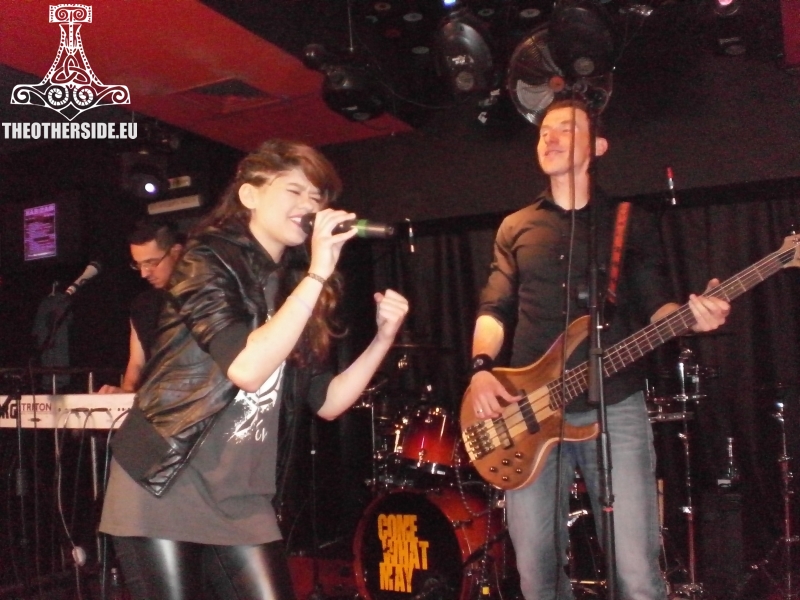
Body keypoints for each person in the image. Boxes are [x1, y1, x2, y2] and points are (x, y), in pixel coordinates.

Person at [99, 139, 409, 600]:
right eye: (294, 191)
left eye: (316, 196)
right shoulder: (206, 260)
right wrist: (318, 274)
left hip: (241, 498)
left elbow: (328, 402)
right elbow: (246, 368)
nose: (309, 205)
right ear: (250, 194)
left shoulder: (294, 288)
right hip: (166, 480)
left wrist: (383, 339)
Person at [467, 100, 730, 600]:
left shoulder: (629, 221)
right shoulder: (515, 226)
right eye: (544, 131)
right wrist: (482, 369)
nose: (549, 138)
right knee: (537, 576)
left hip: (615, 405)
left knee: (635, 573)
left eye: (566, 129)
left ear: (599, 147)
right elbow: (493, 309)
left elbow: (655, 304)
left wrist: (691, 318)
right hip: (529, 412)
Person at [98, 220, 183, 394]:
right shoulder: (143, 304)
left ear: (176, 252)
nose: (144, 273)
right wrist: (123, 394)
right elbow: (137, 363)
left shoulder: (204, 296)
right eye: (139, 264)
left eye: (151, 262)